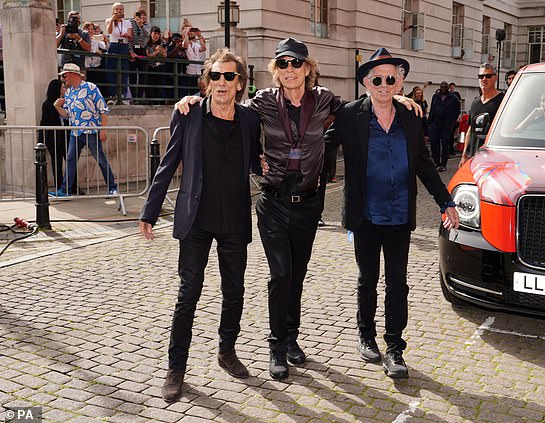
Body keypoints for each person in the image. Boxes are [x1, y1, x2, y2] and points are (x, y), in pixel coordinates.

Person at [175, 38, 421, 380]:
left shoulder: (325, 100)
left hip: (308, 204)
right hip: (273, 202)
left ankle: (291, 340)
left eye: (296, 64)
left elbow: (364, 108)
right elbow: (224, 101)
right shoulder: (261, 103)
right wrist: (192, 100)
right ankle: (276, 347)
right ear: (277, 70)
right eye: (283, 64)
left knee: (298, 276)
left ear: (308, 69)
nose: (290, 70)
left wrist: (397, 97)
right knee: (281, 275)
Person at [324, 48, 459, 379]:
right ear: (366, 82)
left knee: (398, 283)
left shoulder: (412, 118)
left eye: (391, 79)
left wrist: (446, 202)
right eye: (377, 79)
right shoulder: (350, 114)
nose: (384, 85)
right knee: (367, 279)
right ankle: (366, 335)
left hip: (399, 216)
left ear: (400, 82)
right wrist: (306, 178)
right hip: (365, 216)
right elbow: (323, 144)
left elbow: (425, 165)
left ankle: (395, 347)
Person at [140, 48, 262, 402]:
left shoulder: (250, 120)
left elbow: (254, 161)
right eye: (216, 76)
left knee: (234, 291)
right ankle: (176, 369)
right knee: (187, 294)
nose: (222, 83)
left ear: (239, 83)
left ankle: (227, 351)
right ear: (207, 80)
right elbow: (169, 162)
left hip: (235, 219)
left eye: (229, 76)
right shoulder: (189, 113)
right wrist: (150, 210)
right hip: (195, 219)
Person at [49, 63, 117, 197]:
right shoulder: (69, 92)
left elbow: (103, 110)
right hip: (75, 133)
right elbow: (67, 114)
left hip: (91, 132)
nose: (64, 78)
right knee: (70, 160)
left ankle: (112, 188)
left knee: (101, 160)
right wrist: (56, 107)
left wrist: (103, 130)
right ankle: (65, 190)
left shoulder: (91, 88)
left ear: (74, 74)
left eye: (65, 75)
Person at [459, 63, 505, 167]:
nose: (484, 79)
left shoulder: (503, 100)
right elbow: (470, 130)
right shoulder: (475, 102)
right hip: (473, 157)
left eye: (488, 76)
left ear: (495, 78)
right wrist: (464, 155)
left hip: (493, 159)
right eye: (481, 76)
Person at [38, 79, 76, 193]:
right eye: (62, 87)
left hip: (66, 136)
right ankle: (60, 188)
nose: (64, 89)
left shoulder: (67, 102)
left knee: (70, 162)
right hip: (53, 138)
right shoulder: (47, 104)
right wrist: (41, 141)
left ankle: (73, 186)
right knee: (57, 164)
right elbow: (43, 122)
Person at [428, 81, 460, 171]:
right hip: (435, 123)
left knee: (445, 144)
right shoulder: (436, 96)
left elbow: (457, 111)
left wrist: (452, 123)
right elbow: (432, 109)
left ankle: (443, 164)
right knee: (434, 142)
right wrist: (430, 122)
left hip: (446, 125)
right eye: (441, 87)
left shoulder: (453, 98)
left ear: (448, 87)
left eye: (445, 87)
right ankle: (436, 162)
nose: (443, 89)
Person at [104, 2, 132, 100]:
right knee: (112, 71)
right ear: (113, 10)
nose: (119, 11)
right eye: (117, 9)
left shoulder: (127, 22)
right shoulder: (109, 20)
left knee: (123, 72)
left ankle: (123, 95)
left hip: (123, 45)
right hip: (114, 45)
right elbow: (109, 31)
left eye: (121, 9)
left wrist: (127, 35)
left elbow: (130, 35)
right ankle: (112, 95)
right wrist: (112, 19)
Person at [129, 8, 150, 102]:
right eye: (140, 14)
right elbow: (130, 39)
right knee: (133, 75)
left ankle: (140, 97)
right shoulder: (130, 23)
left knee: (143, 76)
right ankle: (134, 97)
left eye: (144, 15)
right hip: (133, 49)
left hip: (142, 50)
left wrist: (141, 26)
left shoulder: (147, 25)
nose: (143, 17)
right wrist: (130, 51)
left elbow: (147, 35)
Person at [145, 26, 167, 104]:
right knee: (150, 85)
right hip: (150, 67)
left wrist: (162, 51)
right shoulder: (147, 43)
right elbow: (148, 55)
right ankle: (150, 101)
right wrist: (157, 52)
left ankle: (158, 101)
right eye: (154, 33)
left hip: (160, 66)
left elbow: (165, 55)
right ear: (151, 34)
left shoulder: (162, 42)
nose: (156, 36)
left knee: (159, 85)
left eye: (158, 34)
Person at [83, 22, 107, 89]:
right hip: (86, 65)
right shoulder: (82, 39)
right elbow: (84, 49)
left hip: (96, 65)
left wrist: (105, 40)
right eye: (88, 29)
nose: (90, 31)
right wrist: (94, 51)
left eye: (92, 29)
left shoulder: (96, 39)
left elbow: (105, 47)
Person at [183, 26, 207, 95]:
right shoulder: (186, 43)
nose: (191, 33)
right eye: (190, 31)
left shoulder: (196, 44)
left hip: (198, 70)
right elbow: (185, 45)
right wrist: (186, 34)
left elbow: (203, 48)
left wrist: (199, 36)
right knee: (190, 89)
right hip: (190, 70)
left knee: (197, 89)